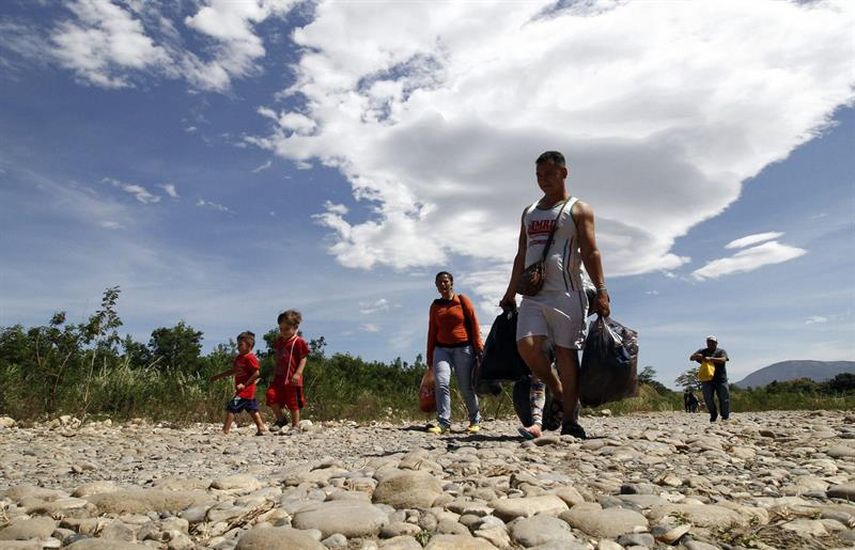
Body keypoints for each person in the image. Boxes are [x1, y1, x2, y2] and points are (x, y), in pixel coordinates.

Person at [500, 150, 610, 439]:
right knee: (526, 345)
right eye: (538, 175)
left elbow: (590, 250)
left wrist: (601, 290)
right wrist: (510, 292)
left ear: (564, 173)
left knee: (566, 354)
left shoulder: (579, 209)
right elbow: (521, 253)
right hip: (534, 295)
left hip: (567, 292)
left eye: (549, 174)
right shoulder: (529, 212)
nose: (543, 180)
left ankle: (571, 420)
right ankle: (558, 390)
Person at [426, 271, 484, 435]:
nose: (443, 285)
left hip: (463, 348)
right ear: (436, 286)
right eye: (439, 282)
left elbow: (474, 324)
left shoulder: (462, 300)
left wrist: (479, 348)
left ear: (451, 283)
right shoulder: (435, 306)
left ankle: (475, 420)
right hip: (441, 349)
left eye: (445, 281)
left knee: (466, 387)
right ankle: (443, 422)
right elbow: (432, 331)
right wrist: (430, 356)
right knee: (442, 383)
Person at [210, 331, 266, 435]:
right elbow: (233, 370)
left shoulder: (250, 358)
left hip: (246, 390)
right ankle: (261, 427)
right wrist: (218, 376)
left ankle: (225, 430)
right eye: (238, 344)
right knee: (252, 409)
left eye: (241, 345)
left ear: (249, 345)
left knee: (231, 407)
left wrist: (245, 384)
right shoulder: (239, 358)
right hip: (242, 390)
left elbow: (256, 373)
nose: (238, 347)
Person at [266, 310, 310, 431]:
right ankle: (281, 419)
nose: (283, 332)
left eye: (287, 329)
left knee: (293, 402)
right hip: (279, 377)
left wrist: (298, 373)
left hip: (292, 378)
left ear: (295, 327)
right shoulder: (280, 341)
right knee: (271, 395)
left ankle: (295, 425)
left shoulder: (298, 342)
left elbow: (303, 358)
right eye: (281, 329)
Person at [690, 336, 730, 422]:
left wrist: (711, 359)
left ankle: (725, 416)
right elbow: (691, 358)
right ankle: (713, 414)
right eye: (708, 342)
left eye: (712, 342)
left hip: (721, 379)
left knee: (724, 398)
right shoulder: (702, 351)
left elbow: (724, 359)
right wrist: (697, 356)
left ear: (716, 343)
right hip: (707, 379)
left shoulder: (721, 351)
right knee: (708, 398)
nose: (710, 344)